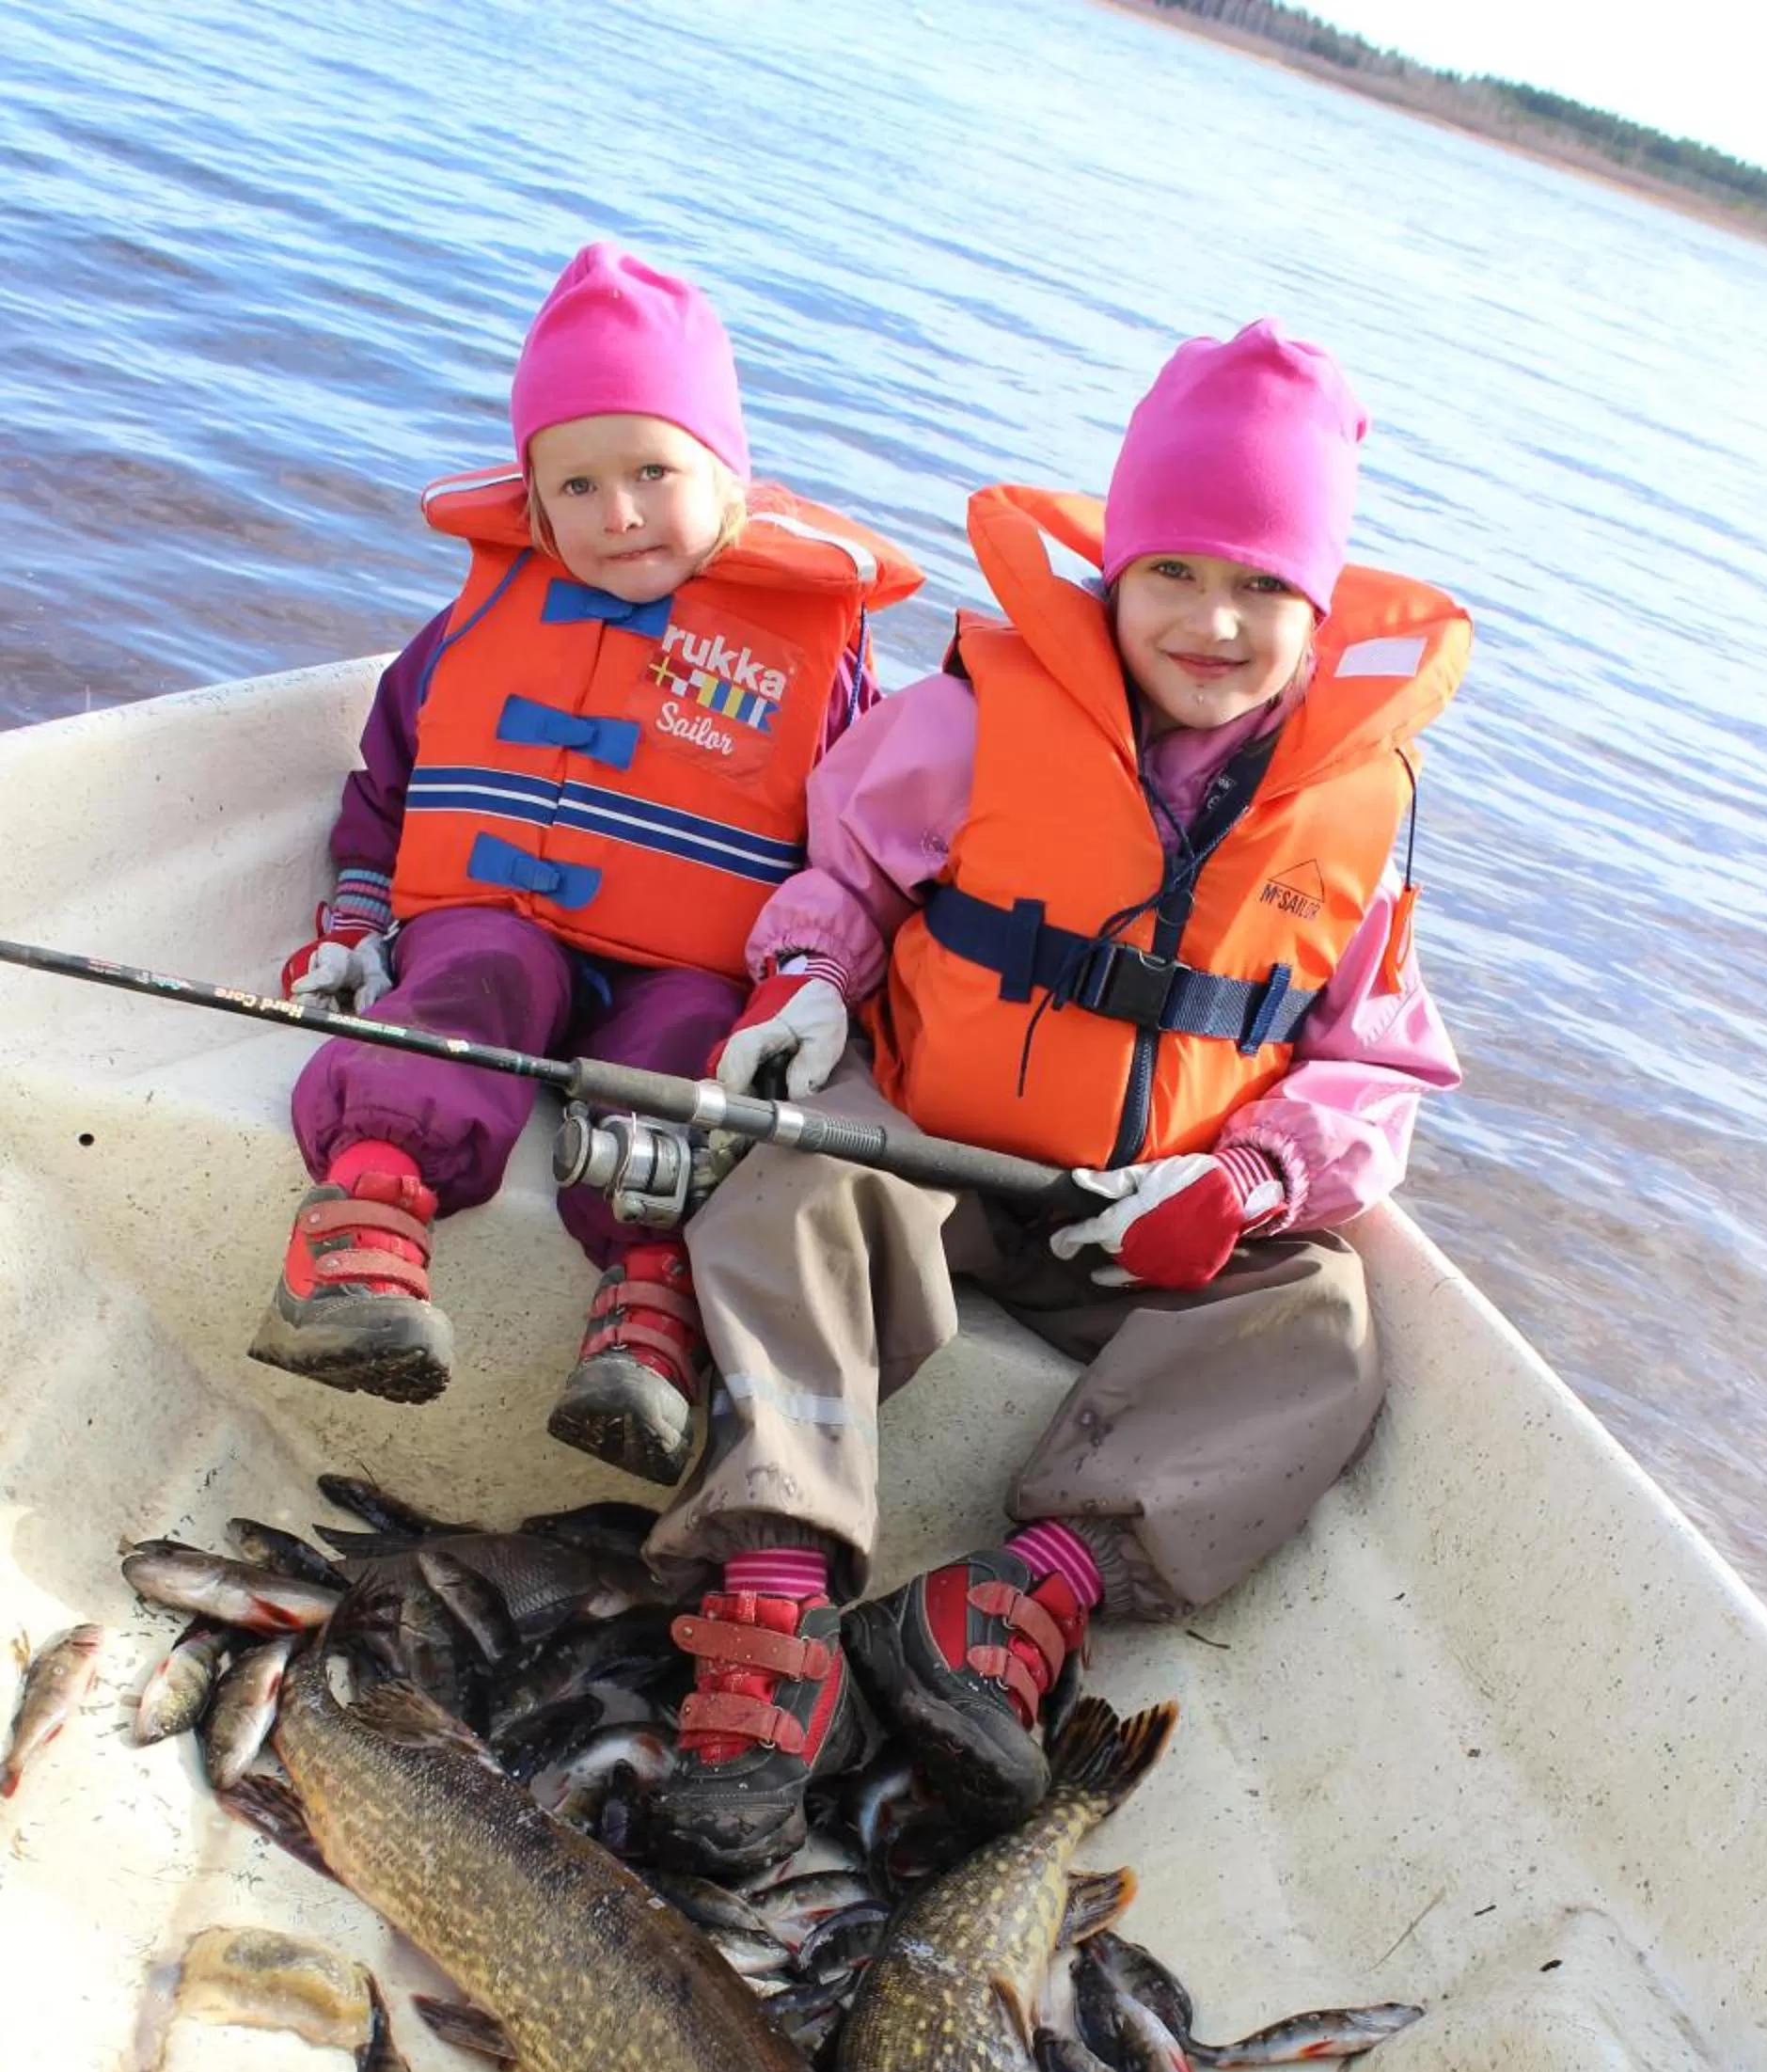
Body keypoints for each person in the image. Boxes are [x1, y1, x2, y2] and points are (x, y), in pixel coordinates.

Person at [635, 319, 1474, 1877]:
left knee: (1324, 1320)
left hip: (1139, 1222)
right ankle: (773, 1601)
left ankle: (1015, 1596)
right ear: (1113, 569)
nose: (1212, 621)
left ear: (1320, 605)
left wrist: (1252, 1183)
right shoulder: (971, 716)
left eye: (1263, 588)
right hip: (922, 1159)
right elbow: (847, 873)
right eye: (1175, 573)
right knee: (783, 1194)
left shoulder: (1361, 816)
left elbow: (1381, 1063)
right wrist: (803, 981)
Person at [249, 242, 921, 1484]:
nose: (618, 514)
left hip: (690, 966)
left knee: (688, 1059)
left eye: (654, 471)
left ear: (727, 473)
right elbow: (388, 783)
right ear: (534, 500)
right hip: (496, 919)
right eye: (577, 484)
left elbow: (857, 853)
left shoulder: (818, 663)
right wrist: (353, 919)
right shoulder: (473, 625)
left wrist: (808, 980)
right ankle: (361, 1221)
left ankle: (646, 1305)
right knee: (470, 984)